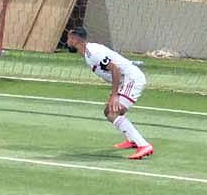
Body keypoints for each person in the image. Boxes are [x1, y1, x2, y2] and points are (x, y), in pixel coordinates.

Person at [65, 27, 154, 160]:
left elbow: (115, 69)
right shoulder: (89, 53)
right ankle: (132, 140)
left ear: (75, 39)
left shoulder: (92, 52)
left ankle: (144, 145)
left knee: (113, 112)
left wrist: (114, 95)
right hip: (126, 80)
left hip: (132, 79)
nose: (67, 42)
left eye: (68, 38)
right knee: (109, 111)